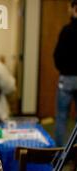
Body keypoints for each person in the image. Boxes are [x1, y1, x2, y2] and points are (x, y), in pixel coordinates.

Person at [53, 0, 77, 146]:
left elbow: (57, 55)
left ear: (75, 8)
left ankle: (59, 152)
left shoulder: (67, 30)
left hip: (67, 78)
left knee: (61, 117)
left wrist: (63, 68)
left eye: (69, 7)